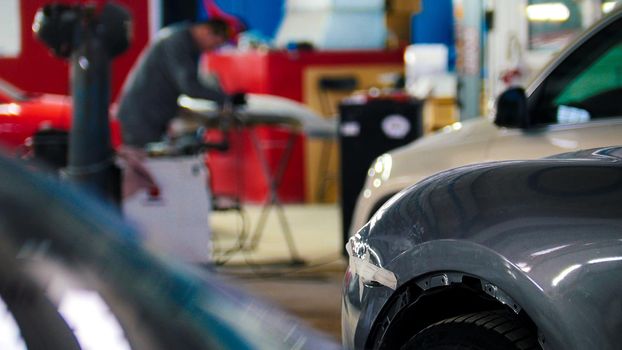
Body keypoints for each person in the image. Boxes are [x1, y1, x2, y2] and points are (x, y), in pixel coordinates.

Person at [117, 18, 231, 148]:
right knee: (142, 162)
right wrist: (225, 98)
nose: (210, 50)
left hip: (147, 117)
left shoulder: (182, 41)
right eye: (214, 45)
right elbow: (190, 86)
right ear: (206, 31)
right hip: (141, 120)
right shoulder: (177, 42)